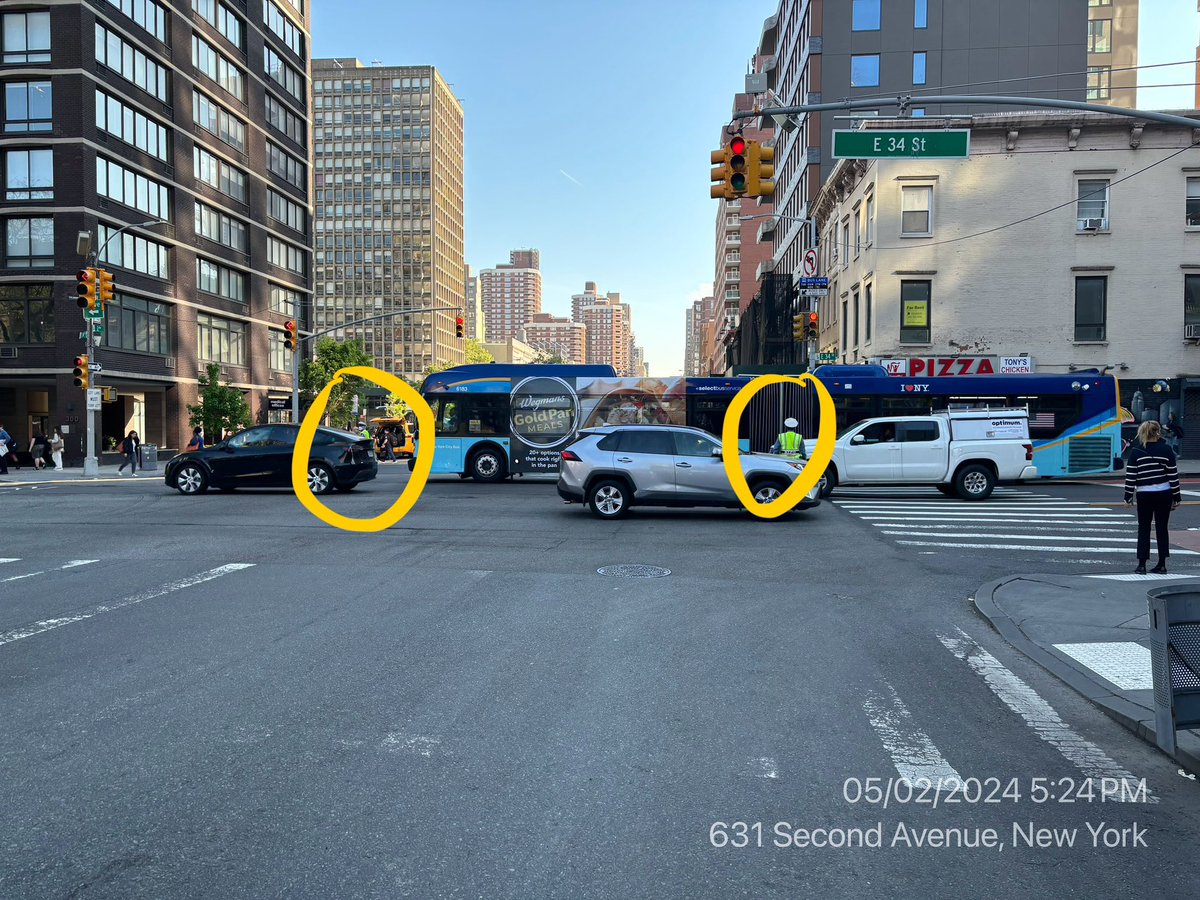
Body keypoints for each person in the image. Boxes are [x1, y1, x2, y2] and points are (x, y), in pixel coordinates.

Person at [1124, 420, 1181, 574]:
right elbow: (1172, 475)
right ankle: (1162, 564)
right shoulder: (1167, 450)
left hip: (1144, 494)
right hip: (1164, 493)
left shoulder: (1136, 452)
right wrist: (1177, 496)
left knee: (1144, 528)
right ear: (1158, 432)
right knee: (1162, 528)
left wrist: (1128, 496)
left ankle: (1141, 564)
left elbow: (1131, 477)